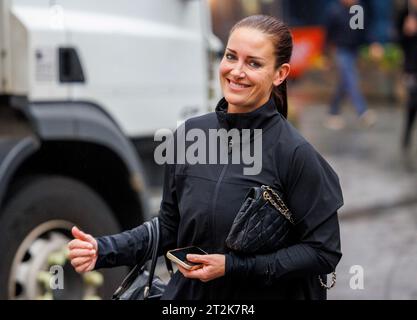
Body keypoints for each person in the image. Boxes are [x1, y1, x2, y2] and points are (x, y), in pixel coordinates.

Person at [68, 15, 343, 300]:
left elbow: (323, 251)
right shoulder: (189, 135)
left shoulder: (295, 153)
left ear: (280, 74)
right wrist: (104, 249)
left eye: (253, 63)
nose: (236, 71)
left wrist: (234, 267)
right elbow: (169, 228)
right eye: (231, 56)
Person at [324, 0, 376, 130]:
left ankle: (333, 111)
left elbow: (362, 31)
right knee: (351, 80)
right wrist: (326, 55)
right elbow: (328, 34)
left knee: (344, 82)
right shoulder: (334, 10)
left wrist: (373, 44)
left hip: (353, 51)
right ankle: (362, 112)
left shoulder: (357, 10)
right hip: (340, 51)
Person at [398, 0, 417, 151]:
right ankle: (406, 136)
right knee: (412, 102)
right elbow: (398, 40)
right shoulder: (405, 12)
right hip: (412, 66)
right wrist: (405, 31)